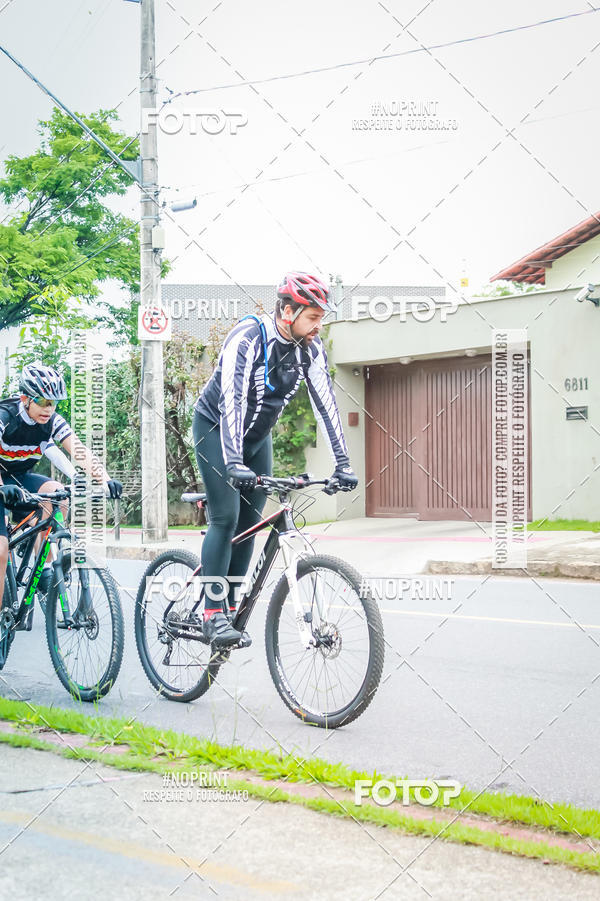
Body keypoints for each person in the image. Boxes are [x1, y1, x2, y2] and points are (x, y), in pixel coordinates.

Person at [193, 271, 358, 648]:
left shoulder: (310, 349)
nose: (319, 326)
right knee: (227, 516)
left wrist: (343, 464)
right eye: (313, 317)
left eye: (321, 318)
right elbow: (231, 399)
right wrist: (233, 461)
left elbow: (326, 406)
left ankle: (230, 606)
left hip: (255, 438)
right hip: (215, 429)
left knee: (251, 522)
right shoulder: (248, 338)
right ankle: (212, 615)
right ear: (287, 312)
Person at [0, 362, 123, 626]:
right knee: (0, 550)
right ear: (25, 398)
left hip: (21, 479)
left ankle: (42, 563)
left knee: (58, 495)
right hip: (1, 482)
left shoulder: (51, 421)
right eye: (43, 401)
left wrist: (105, 479)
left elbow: (78, 450)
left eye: (54, 403)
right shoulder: (6, 416)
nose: (49, 409)